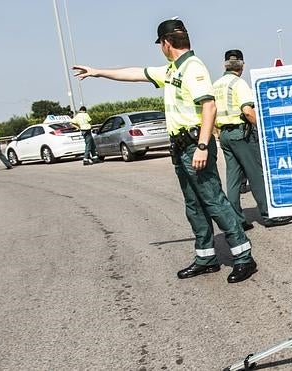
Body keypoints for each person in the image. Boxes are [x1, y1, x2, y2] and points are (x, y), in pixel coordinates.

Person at [72, 18, 257, 283]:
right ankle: (206, 258)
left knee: (214, 201)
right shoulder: (173, 70)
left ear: (166, 43)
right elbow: (136, 73)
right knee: (194, 205)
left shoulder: (193, 68)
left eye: (161, 44)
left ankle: (243, 257)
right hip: (181, 148)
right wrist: (98, 71)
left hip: (195, 145)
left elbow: (209, 107)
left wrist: (203, 146)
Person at [212, 49, 292, 230]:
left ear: (224, 65)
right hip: (242, 134)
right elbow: (248, 111)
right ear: (242, 65)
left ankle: (236, 220)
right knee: (257, 174)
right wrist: (262, 128)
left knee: (233, 179)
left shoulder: (216, 85)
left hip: (225, 135)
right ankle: (269, 215)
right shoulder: (239, 84)